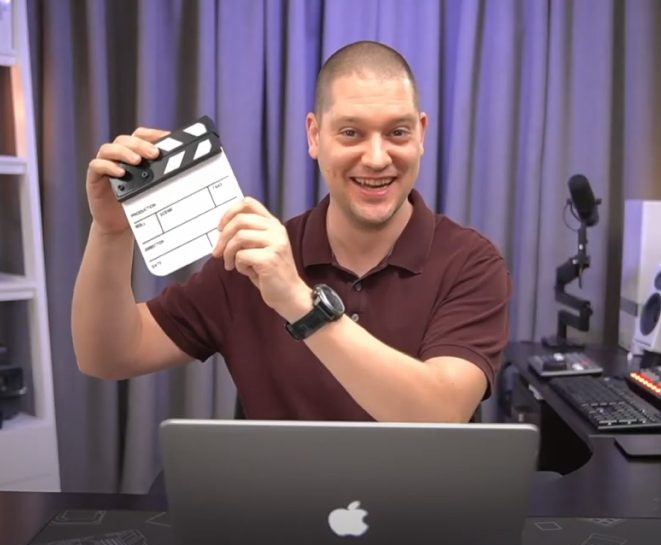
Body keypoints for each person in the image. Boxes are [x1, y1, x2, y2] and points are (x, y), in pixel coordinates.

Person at [72, 40, 511, 423]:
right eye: (351, 133)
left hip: (425, 517)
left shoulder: (470, 262)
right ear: (314, 136)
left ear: (420, 134)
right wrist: (111, 234)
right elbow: (107, 355)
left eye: (397, 132)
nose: (377, 158)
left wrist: (301, 305)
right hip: (277, 514)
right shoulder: (250, 258)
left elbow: (441, 413)